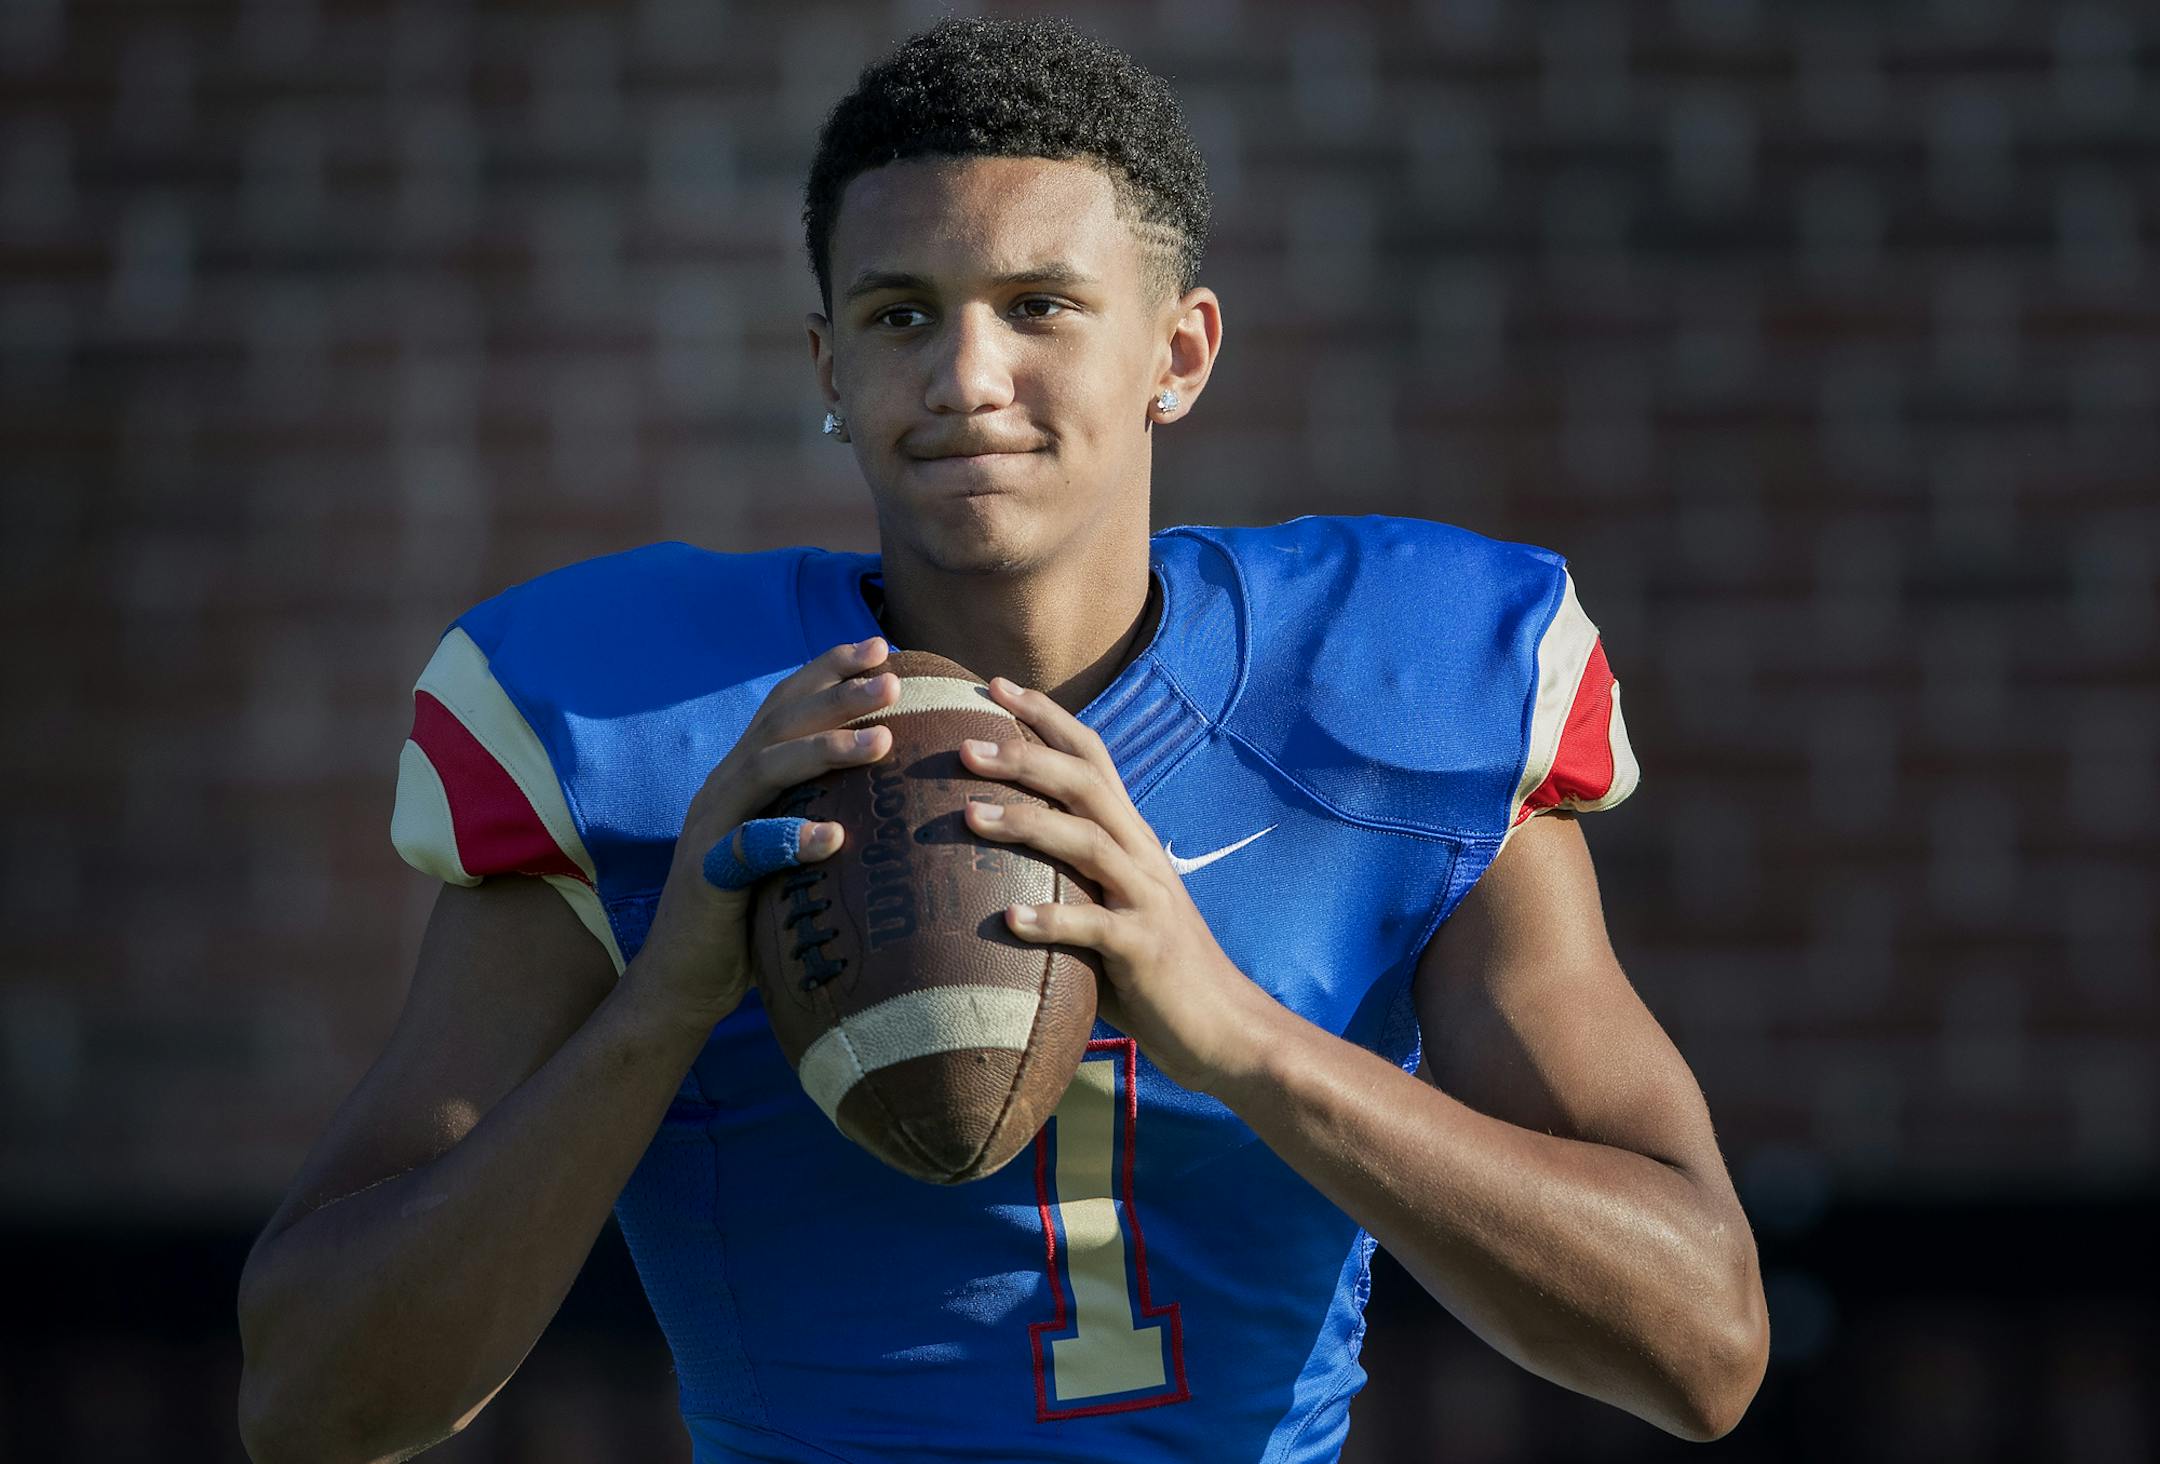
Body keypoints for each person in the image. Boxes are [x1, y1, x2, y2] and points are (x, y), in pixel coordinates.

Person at [237, 17, 1767, 1463]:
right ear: (829, 364)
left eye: (1040, 307)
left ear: (1179, 353)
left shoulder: (1396, 691)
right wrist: (661, 1004)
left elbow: (1703, 1346)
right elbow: (307, 1402)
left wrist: (1237, 1037)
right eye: (903, 315)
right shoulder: (640, 740)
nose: (970, 378)